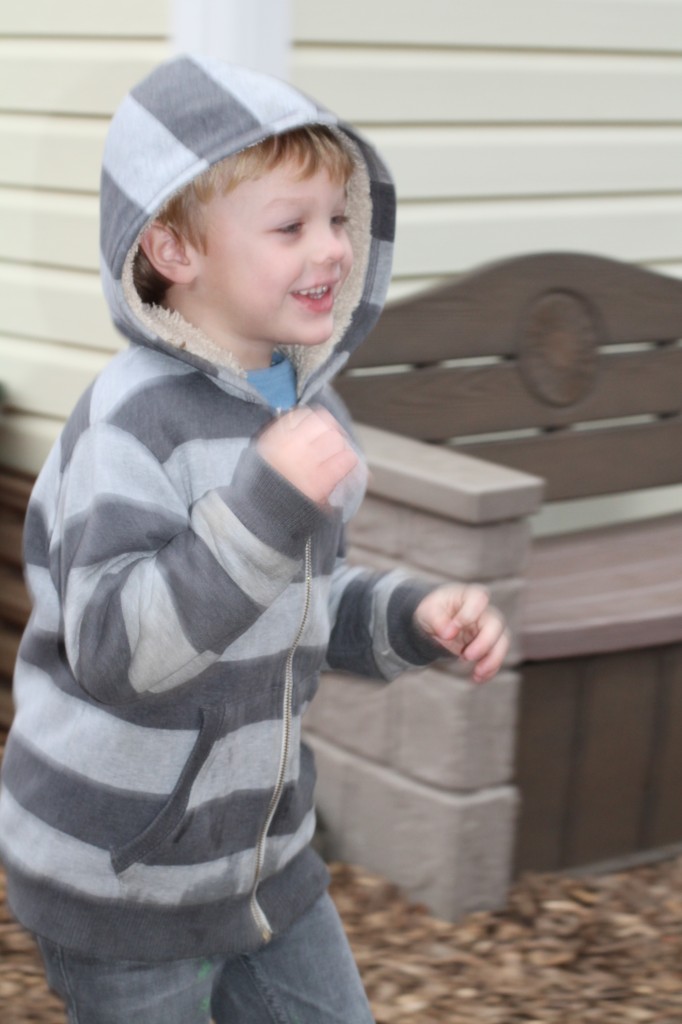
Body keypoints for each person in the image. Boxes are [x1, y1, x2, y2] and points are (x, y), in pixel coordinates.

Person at [0, 55, 509, 1024]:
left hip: (263, 865)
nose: (332, 250)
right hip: (122, 880)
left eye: (338, 219)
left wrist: (410, 617)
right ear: (174, 249)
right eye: (290, 226)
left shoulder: (303, 404)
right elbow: (117, 651)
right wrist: (266, 510)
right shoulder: (131, 425)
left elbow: (299, 597)